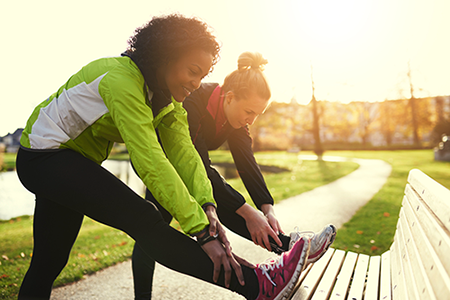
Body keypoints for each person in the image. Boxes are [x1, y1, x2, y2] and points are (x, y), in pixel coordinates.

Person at [16, 14, 317, 300]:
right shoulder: (122, 81)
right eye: (193, 71)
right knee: (143, 216)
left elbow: (186, 156)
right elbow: (150, 160)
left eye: (203, 75)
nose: (197, 83)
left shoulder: (166, 100)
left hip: (66, 162)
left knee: (49, 262)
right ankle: (258, 285)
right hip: (45, 157)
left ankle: (263, 281)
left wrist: (208, 207)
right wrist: (201, 231)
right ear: (165, 56)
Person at [131, 52, 337, 299]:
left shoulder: (236, 118)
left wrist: (266, 207)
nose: (251, 119)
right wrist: (247, 210)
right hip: (164, 166)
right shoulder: (195, 101)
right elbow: (197, 165)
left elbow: (246, 162)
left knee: (228, 207)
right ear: (229, 98)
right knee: (152, 229)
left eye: (257, 115)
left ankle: (288, 247)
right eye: (249, 112)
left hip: (193, 170)